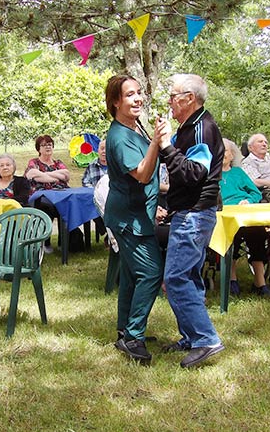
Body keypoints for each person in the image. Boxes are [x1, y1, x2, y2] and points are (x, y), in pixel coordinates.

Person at [156, 73, 225, 368]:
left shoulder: (201, 129)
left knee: (176, 277)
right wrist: (163, 141)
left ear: (189, 99)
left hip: (195, 213)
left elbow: (195, 173)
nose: (170, 101)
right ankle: (191, 336)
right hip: (189, 211)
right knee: (190, 276)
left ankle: (206, 339)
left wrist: (166, 147)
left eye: (173, 96)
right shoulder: (188, 126)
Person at [103, 74, 167, 364]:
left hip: (139, 214)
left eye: (139, 92)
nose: (138, 98)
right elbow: (141, 174)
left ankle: (124, 331)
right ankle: (133, 337)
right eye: (130, 94)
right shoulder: (118, 136)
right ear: (116, 101)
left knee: (131, 275)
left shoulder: (134, 128)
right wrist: (156, 141)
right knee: (152, 273)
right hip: (129, 217)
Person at [220, 139, 270, 297]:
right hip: (225, 216)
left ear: (232, 155)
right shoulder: (210, 174)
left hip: (245, 213)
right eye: (219, 149)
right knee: (232, 236)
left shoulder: (238, 173)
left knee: (258, 233)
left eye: (226, 150)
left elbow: (255, 192)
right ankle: (232, 278)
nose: (222, 153)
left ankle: (259, 281)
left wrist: (248, 201)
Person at [25, 134, 70, 253]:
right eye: (43, 145)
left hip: (60, 194)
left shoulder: (58, 162)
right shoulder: (34, 162)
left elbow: (66, 175)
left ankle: (63, 242)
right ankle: (45, 242)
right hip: (40, 196)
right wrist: (56, 177)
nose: (47, 147)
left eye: (49, 144)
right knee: (47, 206)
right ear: (38, 149)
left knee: (66, 205)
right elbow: (31, 174)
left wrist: (44, 175)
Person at [82, 139, 108, 237]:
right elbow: (85, 181)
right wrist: (95, 191)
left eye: (107, 149)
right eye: (102, 149)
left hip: (112, 197)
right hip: (96, 198)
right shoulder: (91, 165)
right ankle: (105, 233)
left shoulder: (116, 165)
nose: (104, 151)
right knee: (91, 206)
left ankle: (109, 234)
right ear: (98, 151)